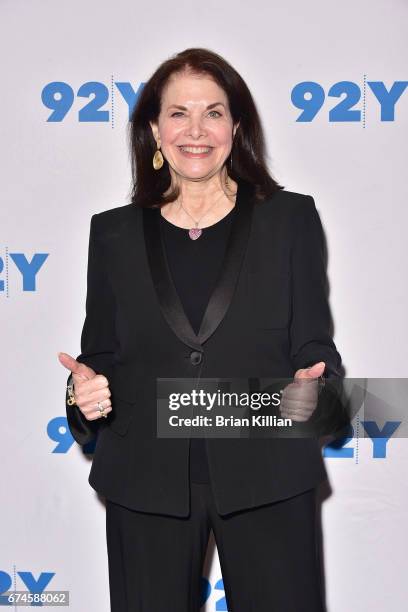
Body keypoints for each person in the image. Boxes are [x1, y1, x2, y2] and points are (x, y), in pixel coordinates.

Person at [58, 47, 347, 612]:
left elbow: (316, 346)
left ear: (236, 127)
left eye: (213, 113)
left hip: (268, 473)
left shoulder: (289, 220)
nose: (196, 130)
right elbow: (102, 357)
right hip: (145, 480)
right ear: (154, 130)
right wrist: (82, 395)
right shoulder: (112, 234)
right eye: (179, 114)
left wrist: (318, 391)